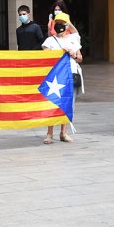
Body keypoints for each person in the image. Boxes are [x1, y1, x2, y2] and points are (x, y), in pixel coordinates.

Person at [41, 12, 83, 144]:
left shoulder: (73, 39)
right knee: (53, 103)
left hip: (71, 74)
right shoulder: (50, 41)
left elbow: (80, 58)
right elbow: (45, 56)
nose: (60, 26)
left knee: (68, 104)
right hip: (56, 77)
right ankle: (49, 133)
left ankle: (64, 132)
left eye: (62, 23)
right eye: (57, 23)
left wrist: (73, 55)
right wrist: (59, 53)